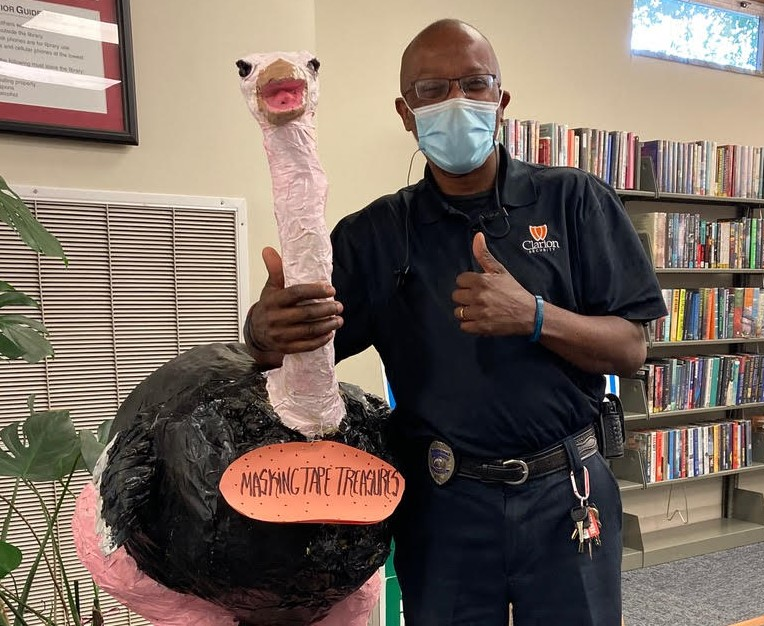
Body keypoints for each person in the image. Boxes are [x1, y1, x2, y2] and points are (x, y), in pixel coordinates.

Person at [244, 18, 666, 626]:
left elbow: (631, 348)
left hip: (568, 493)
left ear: (501, 100)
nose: (455, 102)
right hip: (443, 501)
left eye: (474, 84)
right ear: (405, 111)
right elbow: (299, 362)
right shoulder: (375, 235)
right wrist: (266, 331)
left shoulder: (576, 201)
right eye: (431, 90)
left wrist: (534, 316)